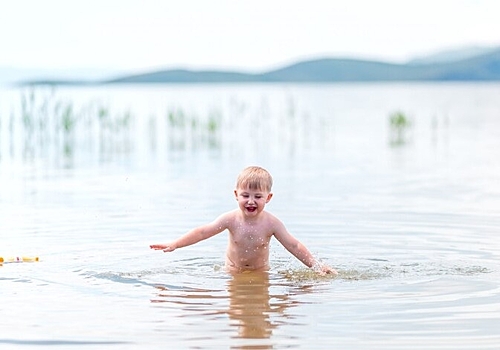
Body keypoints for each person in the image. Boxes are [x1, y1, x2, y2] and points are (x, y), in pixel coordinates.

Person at [150, 166, 337, 276]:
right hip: (233, 273)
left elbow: (294, 245)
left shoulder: (272, 224)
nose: (251, 201)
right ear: (236, 195)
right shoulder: (230, 219)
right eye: (245, 195)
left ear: (268, 198)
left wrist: (316, 266)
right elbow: (203, 232)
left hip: (260, 274)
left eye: (258, 196)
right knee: (238, 312)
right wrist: (175, 244)